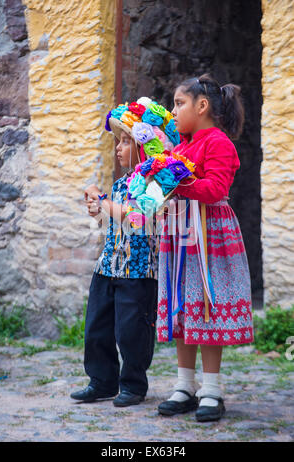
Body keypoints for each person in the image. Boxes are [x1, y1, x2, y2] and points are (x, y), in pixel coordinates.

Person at [156, 74, 254, 421]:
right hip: (182, 233)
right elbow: (169, 188)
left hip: (210, 235)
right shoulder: (180, 147)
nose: (174, 110)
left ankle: (211, 389)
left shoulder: (219, 143)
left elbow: (213, 189)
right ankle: (185, 385)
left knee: (208, 307)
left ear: (202, 106)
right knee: (186, 307)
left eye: (179, 103)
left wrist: (177, 177)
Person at [70, 98, 173, 407]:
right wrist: (95, 205)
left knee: (132, 331)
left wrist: (105, 205)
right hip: (108, 266)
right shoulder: (119, 184)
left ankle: (133, 384)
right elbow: (108, 216)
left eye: (126, 141)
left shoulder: (156, 185)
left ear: (143, 148)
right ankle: (101, 381)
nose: (118, 147)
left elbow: (137, 217)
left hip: (138, 270)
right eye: (118, 141)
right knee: (97, 327)